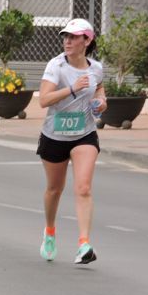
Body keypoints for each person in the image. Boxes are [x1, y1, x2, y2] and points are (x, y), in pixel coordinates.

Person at [37, 18, 105, 265]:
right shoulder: (56, 66)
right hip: (54, 135)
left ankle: (84, 244)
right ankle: (50, 230)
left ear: (87, 41)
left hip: (84, 133)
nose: (67, 41)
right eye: (65, 36)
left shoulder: (95, 68)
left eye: (74, 37)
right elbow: (44, 100)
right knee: (55, 189)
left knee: (84, 187)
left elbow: (99, 90)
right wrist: (73, 88)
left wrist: (101, 102)